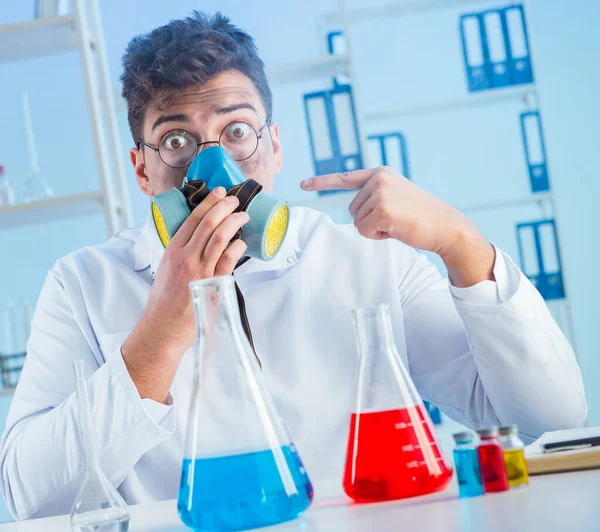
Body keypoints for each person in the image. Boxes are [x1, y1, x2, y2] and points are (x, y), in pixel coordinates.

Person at [0, 11, 586, 520]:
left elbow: (549, 414)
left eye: (236, 131)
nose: (213, 168)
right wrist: (162, 329)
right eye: (176, 141)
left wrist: (461, 242)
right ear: (142, 169)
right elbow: (28, 498)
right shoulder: (82, 284)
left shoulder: (363, 257)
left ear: (273, 146)